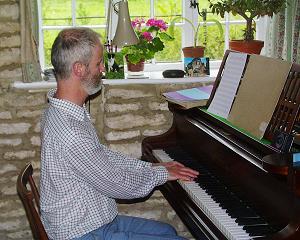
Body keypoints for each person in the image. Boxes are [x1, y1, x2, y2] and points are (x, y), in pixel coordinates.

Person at [40, 27, 199, 240]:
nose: (103, 69)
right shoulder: (71, 131)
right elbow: (118, 185)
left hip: (92, 218)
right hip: (82, 232)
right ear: (79, 69)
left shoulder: (60, 109)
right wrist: (161, 174)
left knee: (168, 232)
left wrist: (150, 166)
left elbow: (100, 157)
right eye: (98, 63)